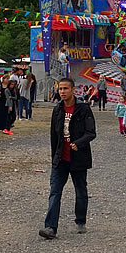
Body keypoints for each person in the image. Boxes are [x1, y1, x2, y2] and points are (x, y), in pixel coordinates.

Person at [39, 77, 96, 239]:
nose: (62, 92)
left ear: (73, 90)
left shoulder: (83, 109)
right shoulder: (57, 110)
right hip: (60, 159)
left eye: (65, 88)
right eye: (60, 89)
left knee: (80, 191)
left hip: (78, 158)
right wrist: (54, 157)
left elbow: (91, 132)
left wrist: (79, 143)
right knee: (55, 191)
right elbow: (53, 136)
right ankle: (50, 227)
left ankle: (80, 220)